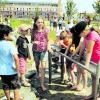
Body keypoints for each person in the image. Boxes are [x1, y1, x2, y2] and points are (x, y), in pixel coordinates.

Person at [71, 21, 100, 99]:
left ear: (83, 31)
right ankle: (93, 94)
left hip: (99, 59)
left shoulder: (92, 35)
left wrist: (86, 66)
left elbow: (89, 51)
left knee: (98, 78)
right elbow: (83, 47)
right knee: (94, 77)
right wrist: (78, 57)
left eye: (79, 34)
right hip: (94, 60)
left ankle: (98, 96)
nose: (79, 36)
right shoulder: (86, 36)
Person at [0, 24, 20, 100]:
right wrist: (17, 68)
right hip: (12, 70)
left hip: (2, 71)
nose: (12, 35)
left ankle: (8, 99)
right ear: (5, 35)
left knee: (6, 86)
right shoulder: (10, 44)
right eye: (10, 34)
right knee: (16, 87)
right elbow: (16, 58)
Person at [31, 16, 49, 91]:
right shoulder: (33, 31)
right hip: (35, 51)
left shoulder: (46, 30)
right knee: (37, 65)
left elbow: (48, 40)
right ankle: (38, 73)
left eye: (42, 22)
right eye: (38, 22)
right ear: (35, 23)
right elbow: (31, 40)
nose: (40, 23)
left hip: (44, 51)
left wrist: (48, 47)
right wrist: (34, 42)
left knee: (43, 67)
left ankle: (42, 84)